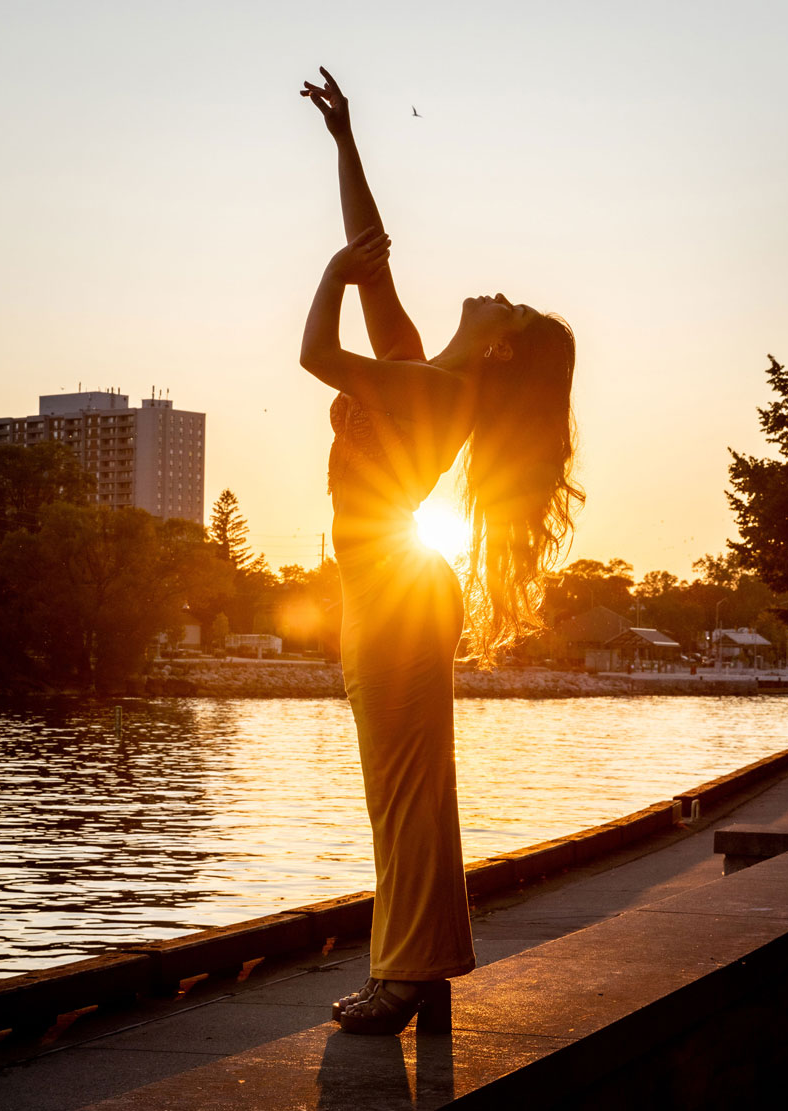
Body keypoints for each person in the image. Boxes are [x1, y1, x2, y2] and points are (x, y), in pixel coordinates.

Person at [300, 68, 582, 1036]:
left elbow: (315, 355)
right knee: (408, 781)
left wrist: (326, 280)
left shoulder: (429, 392)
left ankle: (408, 974)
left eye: (511, 307)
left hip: (396, 591)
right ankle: (425, 962)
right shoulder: (422, 370)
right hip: (385, 585)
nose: (498, 295)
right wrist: (344, 140)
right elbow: (375, 260)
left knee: (405, 784)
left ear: (500, 350)